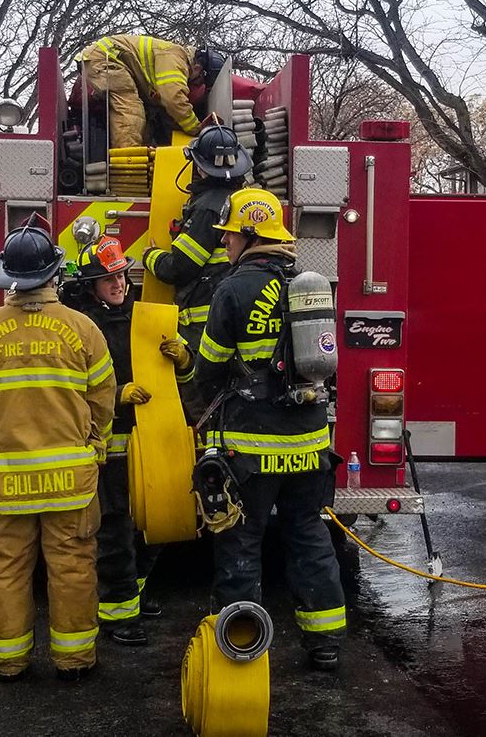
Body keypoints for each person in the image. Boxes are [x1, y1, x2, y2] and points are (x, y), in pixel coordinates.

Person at [0, 218, 115, 683]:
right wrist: (93, 444)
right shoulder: (83, 330)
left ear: (10, 278)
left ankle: (8, 661)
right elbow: (103, 398)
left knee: (5, 567)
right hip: (71, 481)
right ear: (53, 275)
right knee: (73, 566)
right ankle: (75, 659)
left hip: (5, 482)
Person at [192, 187, 346, 672]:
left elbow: (209, 368)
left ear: (249, 235)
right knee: (308, 536)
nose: (226, 246)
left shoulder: (233, 289)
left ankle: (238, 642)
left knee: (240, 539)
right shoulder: (308, 284)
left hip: (252, 450)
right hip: (310, 446)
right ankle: (325, 643)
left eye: (231, 237)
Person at [61, 235, 192, 646]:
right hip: (108, 446)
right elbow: (71, 391)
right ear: (89, 286)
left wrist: (184, 359)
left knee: (159, 524)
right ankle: (119, 615)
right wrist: (117, 396)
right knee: (115, 532)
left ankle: (133, 592)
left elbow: (185, 383)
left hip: (153, 439)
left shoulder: (146, 318)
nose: (118, 284)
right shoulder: (81, 327)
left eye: (120, 275)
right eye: (107, 279)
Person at [141, 124, 250, 415]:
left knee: (199, 398)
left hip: (203, 326)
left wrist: (150, 256)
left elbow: (179, 268)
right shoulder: (243, 200)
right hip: (233, 321)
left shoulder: (208, 208)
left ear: (199, 168)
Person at [76, 35, 226, 148]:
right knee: (131, 109)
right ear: (199, 69)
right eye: (200, 81)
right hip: (105, 59)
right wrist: (195, 128)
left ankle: (140, 161)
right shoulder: (175, 58)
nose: (196, 85)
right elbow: (173, 98)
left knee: (144, 121)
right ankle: (128, 166)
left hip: (106, 59)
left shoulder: (173, 56)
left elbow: (165, 108)